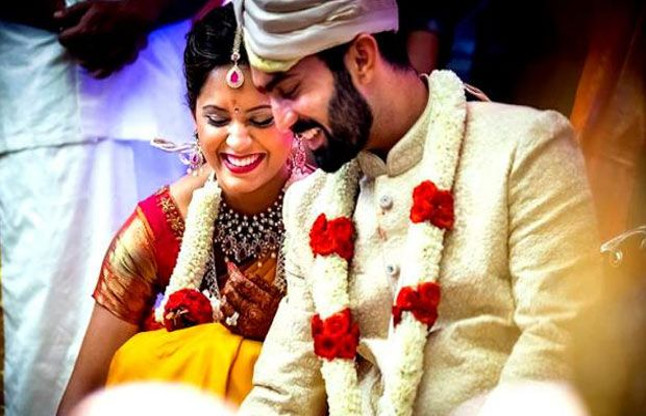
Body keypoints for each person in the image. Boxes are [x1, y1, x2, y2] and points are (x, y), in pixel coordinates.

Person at [232, 0, 601, 415]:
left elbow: (557, 344)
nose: (281, 120)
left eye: (290, 91)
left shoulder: (524, 148)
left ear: (362, 58)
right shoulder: (308, 205)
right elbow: (283, 392)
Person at [57, 4, 309, 414]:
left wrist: (282, 331)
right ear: (193, 115)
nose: (238, 141)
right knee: (139, 358)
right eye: (218, 119)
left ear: (291, 111)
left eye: (261, 120)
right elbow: (84, 393)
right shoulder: (160, 225)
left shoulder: (327, 210)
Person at [0, 1, 205, 414]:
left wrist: (145, 6)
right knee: (47, 341)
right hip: (42, 100)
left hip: (163, 98)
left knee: (170, 328)